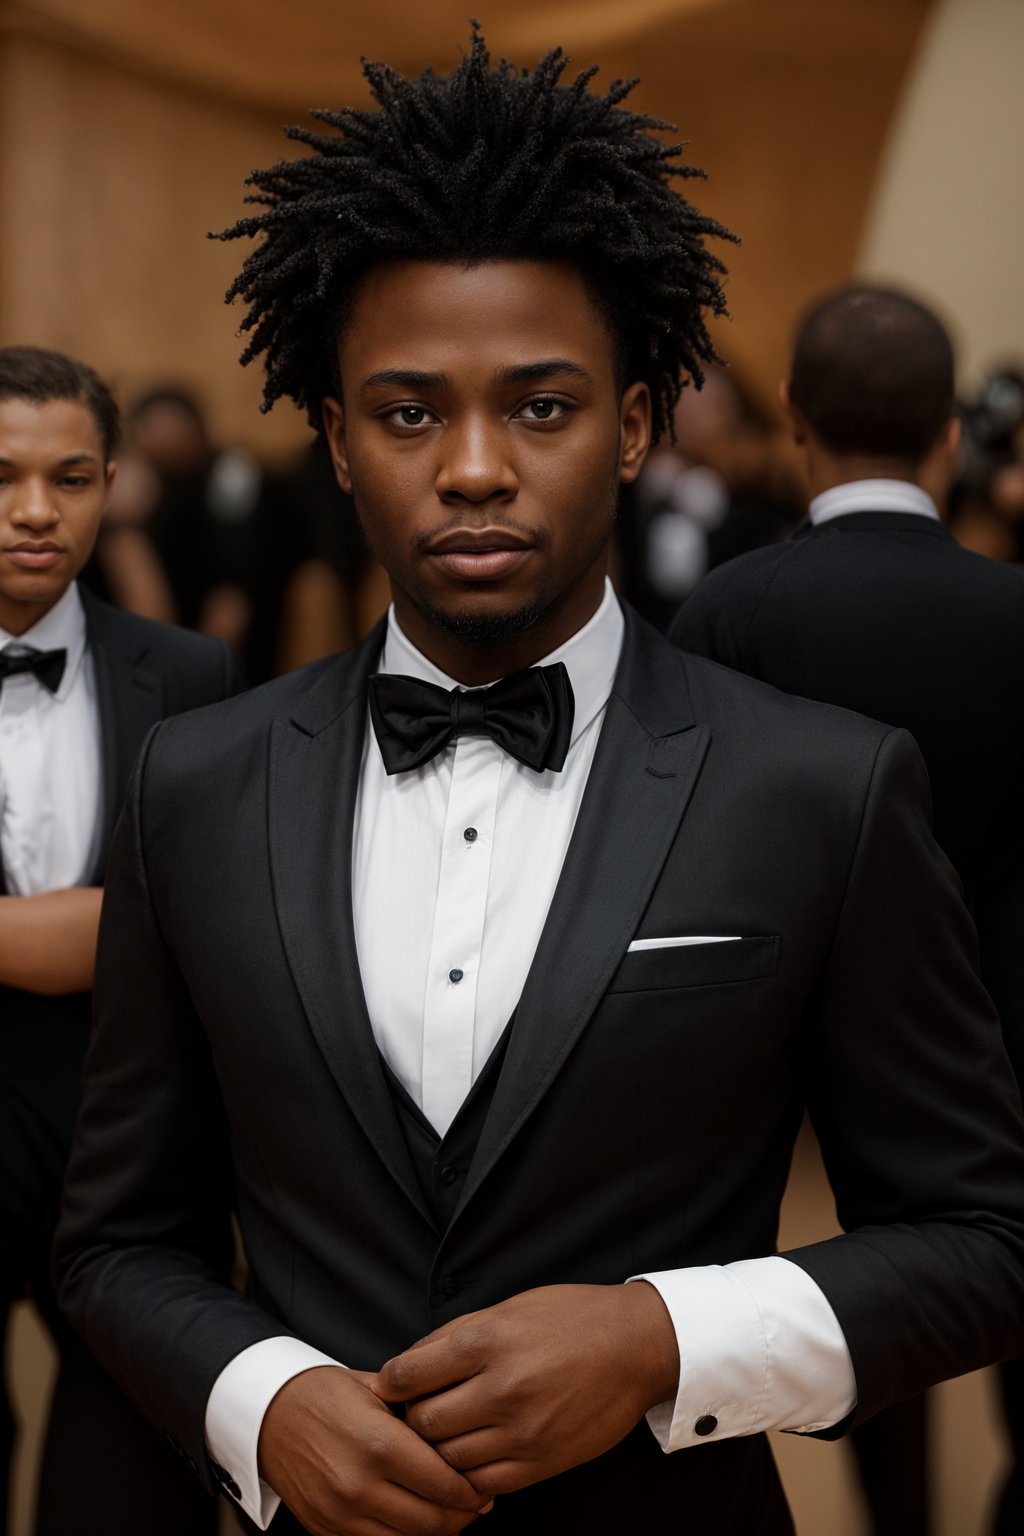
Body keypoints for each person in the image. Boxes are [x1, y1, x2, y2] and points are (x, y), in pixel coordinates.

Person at [55, 35, 1024, 1536]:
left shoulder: (820, 784)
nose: (476, 466)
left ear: (634, 426)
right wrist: (260, 1398)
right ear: (335, 440)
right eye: (406, 411)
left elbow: (981, 1239)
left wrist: (662, 1340)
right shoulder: (199, 781)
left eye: (545, 406)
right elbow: (117, 1240)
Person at [670, 284, 1024, 1535]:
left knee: (829, 1287)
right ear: (946, 434)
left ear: (798, 422)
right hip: (998, 1007)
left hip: (778, 1015)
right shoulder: (1013, 612)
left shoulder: (724, 613)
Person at [0, 347, 242, 1534]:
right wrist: (102, 925)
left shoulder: (196, 679)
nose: (35, 510)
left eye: (71, 476)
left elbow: (204, 921)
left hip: (133, 1143)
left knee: (131, 1482)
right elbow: (136, 920)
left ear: (112, 485)